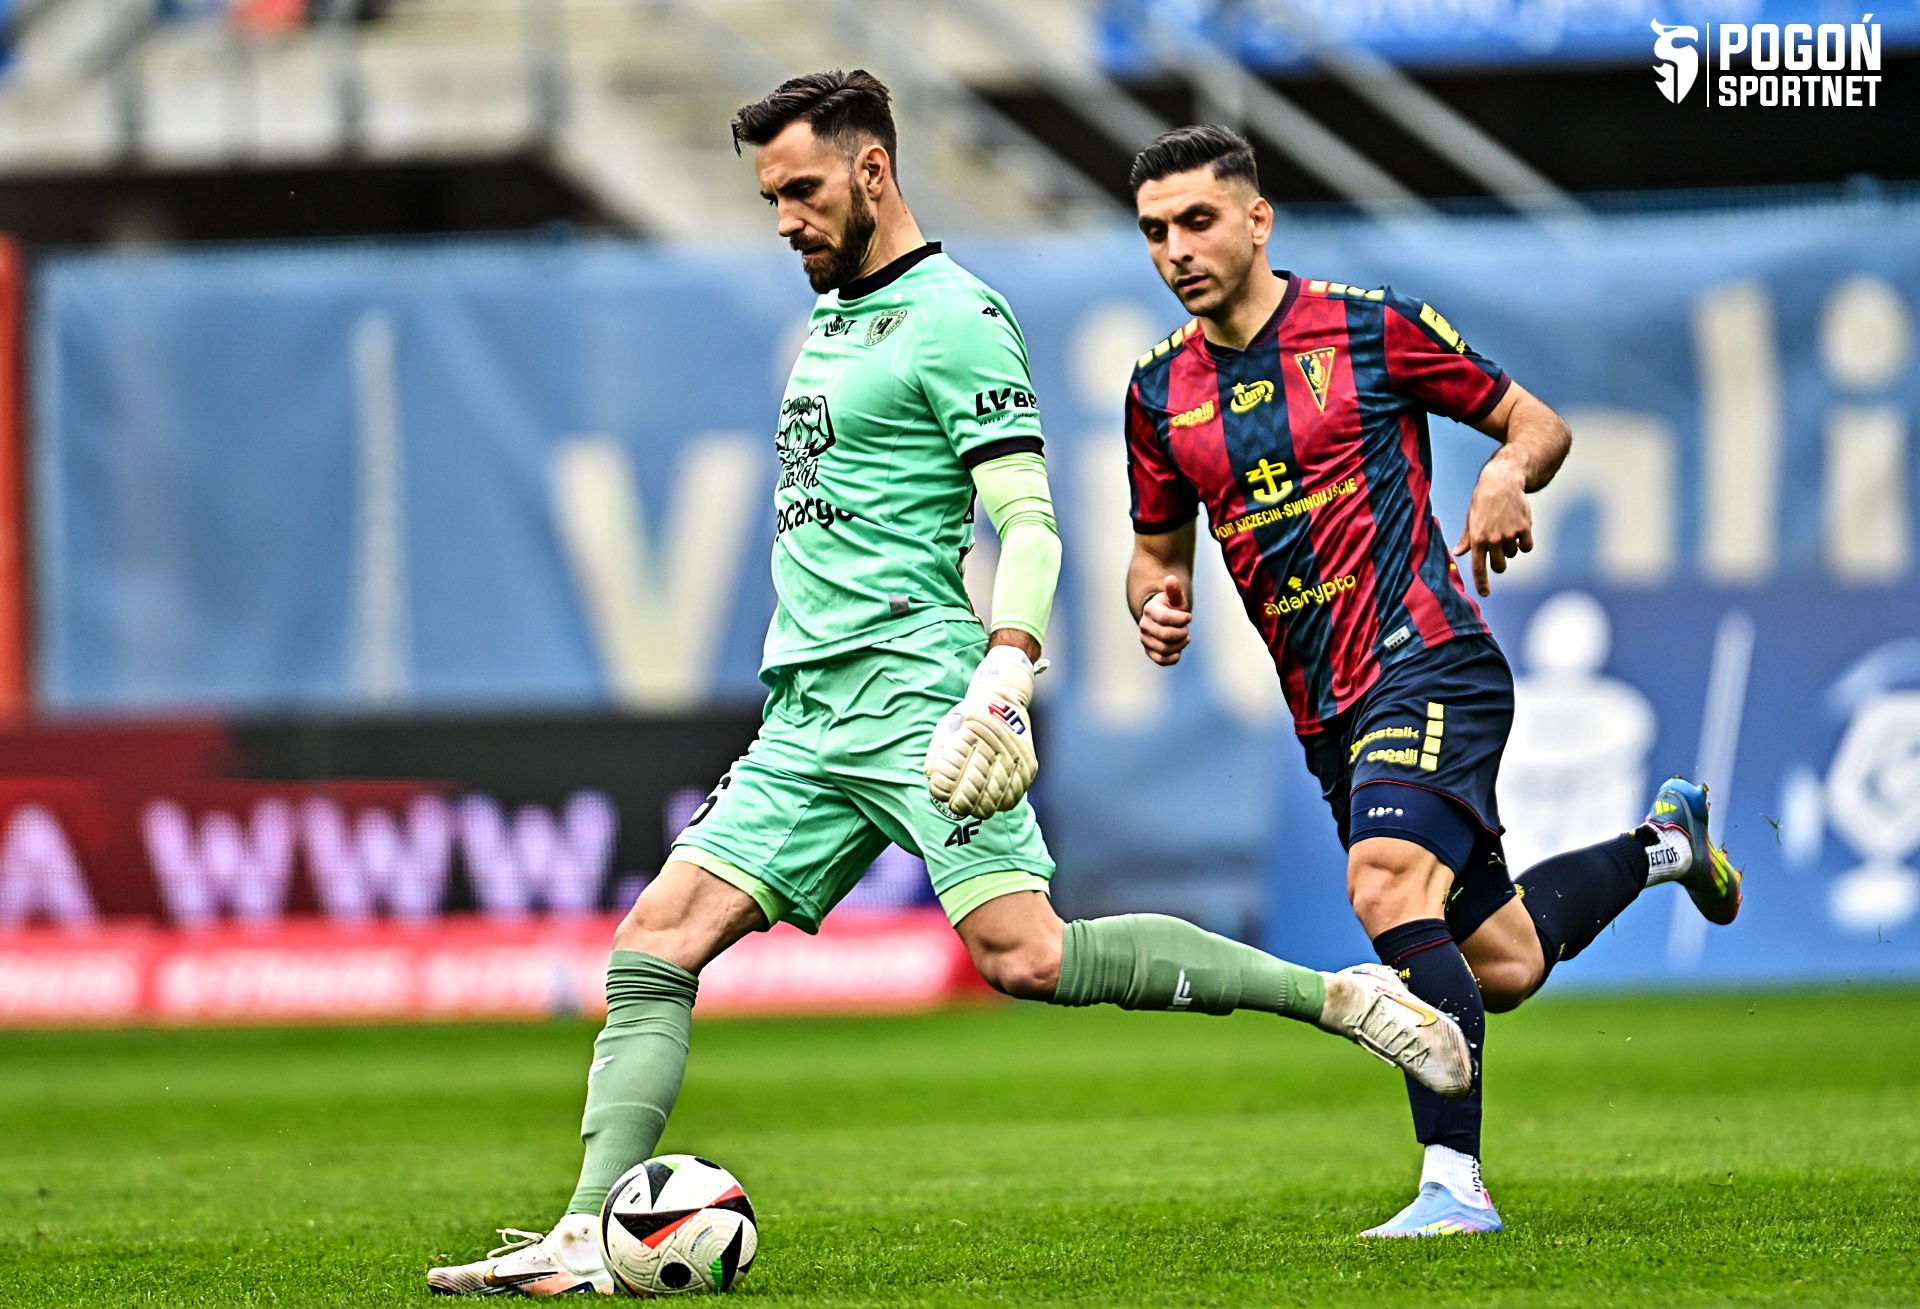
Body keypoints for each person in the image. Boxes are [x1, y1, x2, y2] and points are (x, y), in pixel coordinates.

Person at [427, 74, 1474, 1296]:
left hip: (919, 695)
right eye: (770, 199)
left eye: (803, 191)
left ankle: (1339, 998)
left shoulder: (957, 315)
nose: (786, 220)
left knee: (1026, 957)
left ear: (872, 171)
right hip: (805, 715)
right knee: (655, 943)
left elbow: (1027, 522)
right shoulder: (833, 319)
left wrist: (1005, 669)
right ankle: (579, 1234)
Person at [1120, 125, 1743, 1238]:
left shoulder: (1369, 325)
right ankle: (1668, 845)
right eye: (1155, 231)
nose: (1177, 249)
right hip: (1327, 708)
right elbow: (1155, 551)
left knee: (1384, 887)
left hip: (1429, 656)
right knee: (1501, 962)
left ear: (1258, 220)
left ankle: (1454, 1184)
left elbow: (1536, 424)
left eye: (1198, 221)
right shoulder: (1160, 390)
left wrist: (1505, 473)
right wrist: (1154, 598)